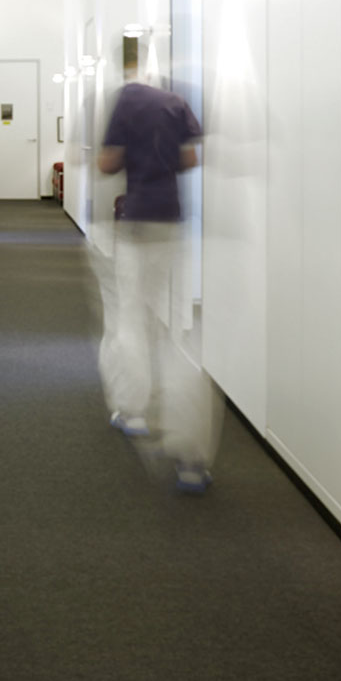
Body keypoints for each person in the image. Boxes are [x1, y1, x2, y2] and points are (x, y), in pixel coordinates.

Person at [95, 75, 217, 493]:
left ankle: (133, 412)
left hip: (136, 222)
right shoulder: (177, 103)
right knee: (176, 333)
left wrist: (128, 155)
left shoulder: (127, 99)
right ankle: (191, 456)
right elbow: (190, 159)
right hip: (171, 221)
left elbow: (107, 163)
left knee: (130, 316)